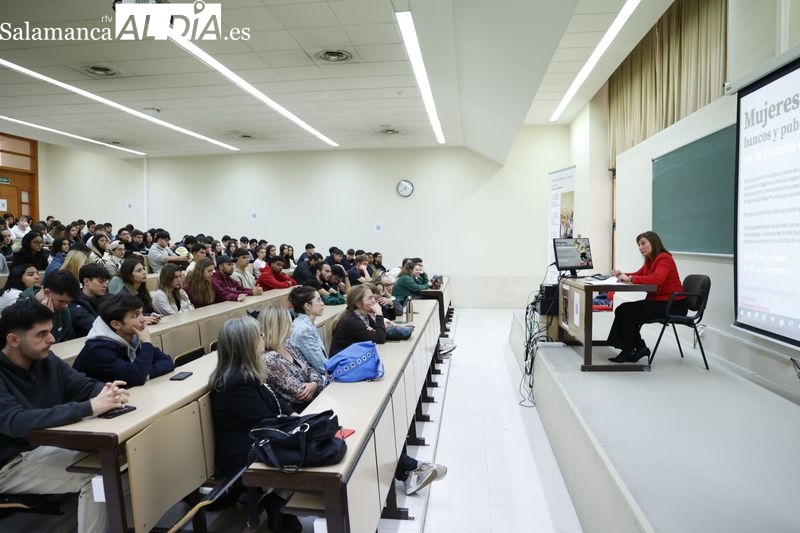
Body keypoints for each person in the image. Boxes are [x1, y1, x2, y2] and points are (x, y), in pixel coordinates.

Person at [0, 300, 129, 533]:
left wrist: (107, 391)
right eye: (41, 334)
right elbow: (16, 422)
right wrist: (90, 407)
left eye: (50, 331)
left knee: (124, 458)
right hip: (9, 463)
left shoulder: (46, 360)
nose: (51, 339)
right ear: (13, 340)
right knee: (96, 477)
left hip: (45, 446)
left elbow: (82, 385)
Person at [328, 285, 447, 495]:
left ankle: (409, 472)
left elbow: (379, 333)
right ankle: (410, 469)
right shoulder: (353, 320)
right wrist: (381, 317)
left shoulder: (362, 316)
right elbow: (380, 338)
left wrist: (382, 319)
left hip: (357, 372)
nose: (374, 299)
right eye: (369, 298)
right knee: (378, 422)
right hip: (345, 378)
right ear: (358, 303)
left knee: (384, 417)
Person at [209, 316, 302, 532]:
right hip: (243, 452)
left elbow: (278, 403)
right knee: (305, 450)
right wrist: (294, 426)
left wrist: (295, 416)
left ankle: (279, 502)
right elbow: (263, 422)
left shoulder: (249, 372)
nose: (263, 337)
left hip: (256, 439)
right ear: (245, 344)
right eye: (258, 334)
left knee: (310, 437)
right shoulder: (235, 381)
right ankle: (277, 502)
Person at [607, 231, 687, 363]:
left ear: (653, 242)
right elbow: (638, 274)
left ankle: (635, 348)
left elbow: (657, 279)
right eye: (638, 244)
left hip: (673, 306)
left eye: (643, 243)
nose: (640, 247)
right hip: (660, 302)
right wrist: (621, 274)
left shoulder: (664, 258)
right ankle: (635, 348)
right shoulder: (650, 261)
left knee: (626, 310)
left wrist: (630, 278)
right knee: (624, 310)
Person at [74, 294, 175, 386]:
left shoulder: (133, 336)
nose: (143, 319)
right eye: (135, 316)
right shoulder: (98, 350)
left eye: (141, 313)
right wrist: (147, 343)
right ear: (116, 324)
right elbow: (136, 377)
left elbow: (167, 361)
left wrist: (145, 373)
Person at [259, 303, 324, 412]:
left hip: (315, 400)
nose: (292, 326)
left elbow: (310, 369)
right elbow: (300, 393)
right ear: (279, 327)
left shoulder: (287, 345)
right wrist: (317, 385)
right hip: (300, 412)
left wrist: (314, 383)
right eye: (289, 323)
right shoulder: (269, 359)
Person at [17, 269, 81, 342]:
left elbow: (69, 340)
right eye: (61, 301)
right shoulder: (21, 309)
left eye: (68, 302)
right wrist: (46, 319)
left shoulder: (64, 311)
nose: (64, 306)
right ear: (47, 293)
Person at [287, 285, 329, 375]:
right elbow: (322, 367)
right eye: (318, 300)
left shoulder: (306, 323)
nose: (322, 303)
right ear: (307, 306)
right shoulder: (304, 330)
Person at [108, 257, 160, 325]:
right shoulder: (123, 296)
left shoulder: (141, 290)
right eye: (139, 271)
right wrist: (145, 317)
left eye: (144, 269)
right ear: (129, 275)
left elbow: (145, 311)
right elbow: (130, 317)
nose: (144, 272)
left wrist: (152, 315)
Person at [70, 263, 112, 337]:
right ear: (86, 282)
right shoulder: (75, 304)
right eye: (101, 281)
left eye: (106, 282)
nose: (105, 285)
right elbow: (96, 327)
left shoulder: (108, 297)